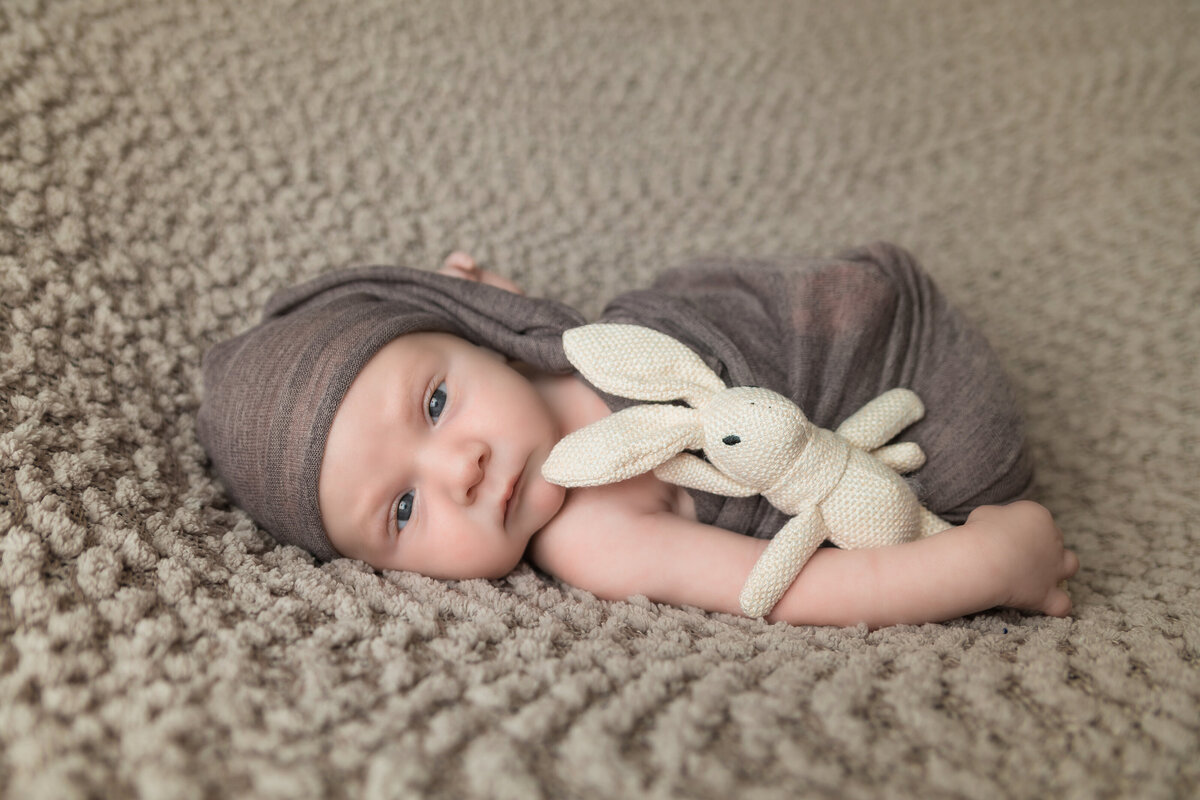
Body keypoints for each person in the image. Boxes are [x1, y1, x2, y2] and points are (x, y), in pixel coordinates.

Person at [197, 246, 1078, 629]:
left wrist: (486, 287)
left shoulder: (544, 348)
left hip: (858, 315)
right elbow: (804, 588)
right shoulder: (595, 538)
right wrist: (989, 569)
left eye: (433, 407)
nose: (458, 469)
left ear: (474, 330)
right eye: (401, 508)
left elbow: (520, 319)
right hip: (927, 426)